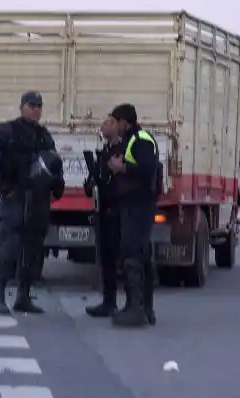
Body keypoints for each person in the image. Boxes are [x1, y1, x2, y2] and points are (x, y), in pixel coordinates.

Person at [0, 91, 65, 315]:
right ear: (22, 107)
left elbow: (54, 163)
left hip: (38, 200)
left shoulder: (44, 136)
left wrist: (58, 187)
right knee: (9, 247)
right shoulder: (8, 131)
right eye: (31, 105)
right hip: (14, 197)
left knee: (33, 251)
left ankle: (23, 297)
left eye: (39, 106)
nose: (35, 110)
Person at [105, 103, 160, 328]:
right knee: (138, 255)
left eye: (115, 121)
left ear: (124, 122)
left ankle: (137, 309)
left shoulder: (141, 140)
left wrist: (123, 168)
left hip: (140, 205)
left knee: (133, 254)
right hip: (131, 204)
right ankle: (139, 307)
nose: (114, 126)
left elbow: (148, 170)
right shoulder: (130, 140)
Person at [83, 116, 127, 318]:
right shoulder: (104, 151)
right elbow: (95, 181)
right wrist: (91, 182)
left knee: (123, 258)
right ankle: (109, 302)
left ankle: (131, 303)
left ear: (116, 125)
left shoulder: (123, 150)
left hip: (118, 211)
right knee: (106, 259)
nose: (102, 127)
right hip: (103, 211)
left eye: (106, 123)